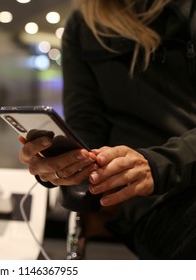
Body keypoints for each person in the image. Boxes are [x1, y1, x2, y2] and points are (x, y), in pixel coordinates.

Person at [18, 0, 196, 259]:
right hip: (155, 201)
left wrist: (159, 164)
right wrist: (61, 160)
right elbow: (87, 124)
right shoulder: (84, 25)